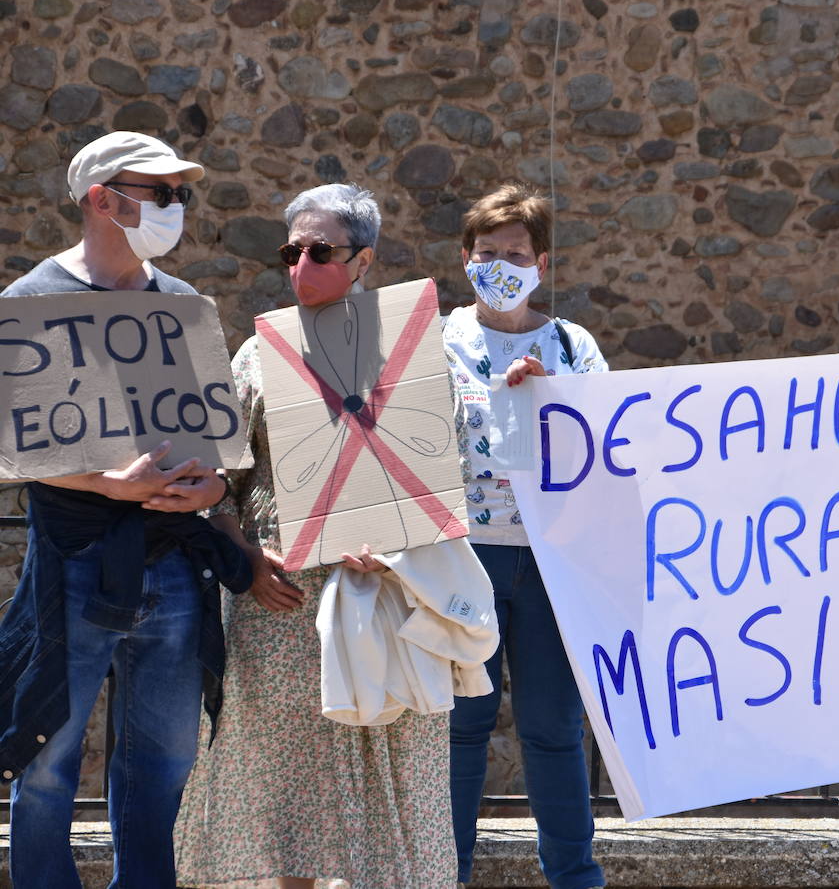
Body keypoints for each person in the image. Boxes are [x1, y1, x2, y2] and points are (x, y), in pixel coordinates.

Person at [173, 184, 470, 888]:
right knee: (286, 792)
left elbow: (437, 475)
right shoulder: (256, 355)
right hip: (279, 603)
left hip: (386, 599)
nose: (301, 264)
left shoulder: (409, 355)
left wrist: (393, 550)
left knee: (387, 774)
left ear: (363, 260)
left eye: (320, 251)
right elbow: (220, 480)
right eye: (291, 250)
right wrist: (245, 556)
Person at [0, 131, 250, 888]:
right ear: (100, 199)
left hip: (175, 567)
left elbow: (217, 452)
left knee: (166, 762)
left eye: (181, 193)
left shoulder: (185, 306)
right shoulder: (28, 303)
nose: (177, 206)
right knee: (48, 762)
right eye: (162, 191)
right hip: (75, 567)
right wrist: (105, 486)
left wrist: (211, 490)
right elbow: (13, 451)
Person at [443, 183, 608, 889]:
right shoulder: (436, 339)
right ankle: (441, 873)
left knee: (552, 730)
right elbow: (407, 437)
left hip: (550, 564)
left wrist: (553, 401)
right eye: (487, 253)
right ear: (465, 258)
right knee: (459, 732)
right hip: (464, 558)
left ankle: (574, 877)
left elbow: (607, 447)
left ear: (541, 260)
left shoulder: (573, 345)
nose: (500, 264)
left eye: (514, 253)